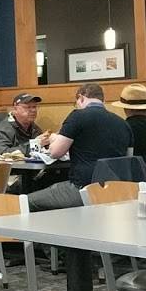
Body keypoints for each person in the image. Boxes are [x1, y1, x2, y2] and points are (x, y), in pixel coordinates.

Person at [27, 83, 133, 211]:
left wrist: (54, 138)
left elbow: (55, 152)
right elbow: (128, 160)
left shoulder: (77, 116)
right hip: (116, 191)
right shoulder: (123, 124)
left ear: (81, 97)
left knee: (26, 202)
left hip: (82, 188)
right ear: (103, 100)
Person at [0, 93, 43, 159]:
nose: (33, 110)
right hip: (1, 165)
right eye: (28, 107)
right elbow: (3, 153)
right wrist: (35, 144)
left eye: (34, 107)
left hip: (26, 164)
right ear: (15, 109)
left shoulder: (34, 128)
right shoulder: (2, 130)